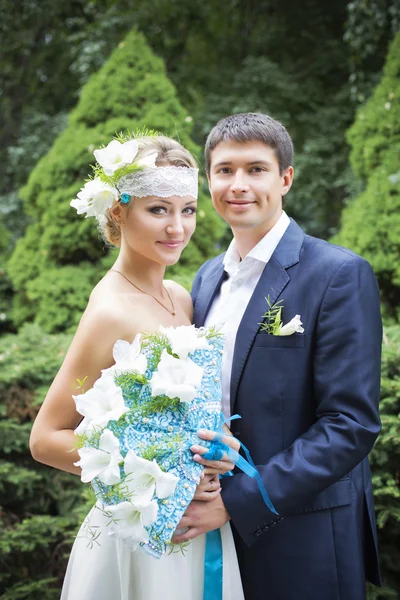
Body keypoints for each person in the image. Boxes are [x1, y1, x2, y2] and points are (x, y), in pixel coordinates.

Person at [174, 113, 383, 600]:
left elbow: (350, 424)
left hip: (303, 533)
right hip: (212, 527)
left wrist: (239, 502)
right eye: (224, 170)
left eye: (256, 169)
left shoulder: (337, 273)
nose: (238, 185)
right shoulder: (205, 279)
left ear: (285, 178)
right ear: (209, 181)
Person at [29, 134, 244, 600]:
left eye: (187, 209)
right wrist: (156, 481)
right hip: (141, 529)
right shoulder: (110, 311)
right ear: (119, 211)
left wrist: (216, 454)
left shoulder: (182, 297)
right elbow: (46, 439)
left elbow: (180, 416)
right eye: (158, 209)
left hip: (199, 521)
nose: (177, 228)